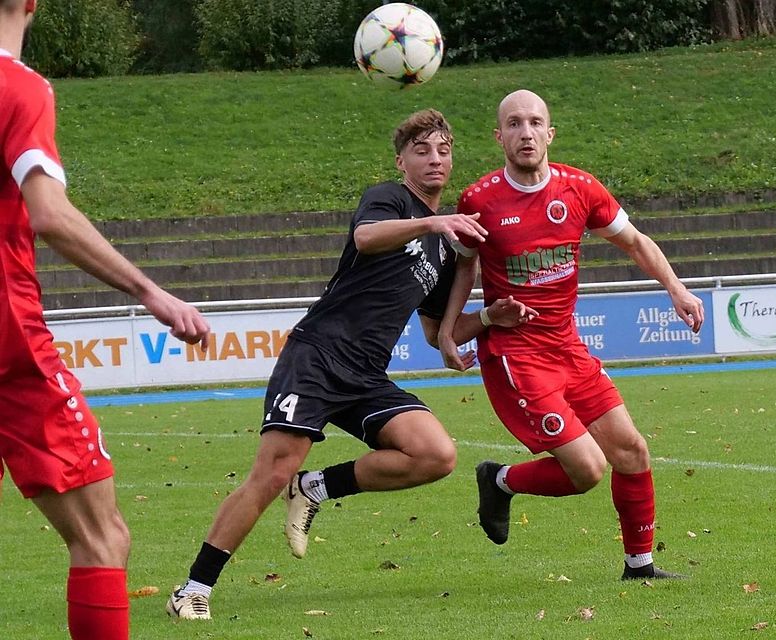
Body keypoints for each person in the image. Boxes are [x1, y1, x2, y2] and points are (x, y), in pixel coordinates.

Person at [167, 109, 537, 620]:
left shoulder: (442, 248)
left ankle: (314, 487)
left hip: (364, 374)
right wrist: (434, 220)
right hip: (317, 356)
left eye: (444, 150)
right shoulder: (388, 198)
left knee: (434, 454)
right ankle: (192, 589)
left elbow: (439, 336)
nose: (435, 160)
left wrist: (491, 318)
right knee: (272, 471)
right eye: (423, 150)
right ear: (402, 160)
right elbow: (367, 237)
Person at [0, 2, 211, 639]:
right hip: (8, 338)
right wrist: (150, 291)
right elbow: (49, 215)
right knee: (101, 538)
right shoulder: (19, 88)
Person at [438, 89, 705, 581]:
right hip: (517, 355)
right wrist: (452, 331)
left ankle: (640, 566)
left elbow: (634, 241)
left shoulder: (579, 189)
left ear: (550, 133)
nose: (526, 133)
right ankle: (499, 480)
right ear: (499, 137)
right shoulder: (480, 200)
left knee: (632, 451)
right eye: (514, 124)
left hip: (568, 347)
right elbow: (464, 269)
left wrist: (677, 290)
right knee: (587, 470)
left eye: (535, 123)